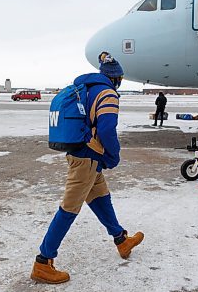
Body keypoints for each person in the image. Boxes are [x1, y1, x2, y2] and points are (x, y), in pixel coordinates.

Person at [30, 52, 144, 284]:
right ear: (117, 79)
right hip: (88, 158)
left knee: (101, 198)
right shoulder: (108, 93)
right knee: (69, 209)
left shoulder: (88, 88)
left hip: (83, 155)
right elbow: (106, 129)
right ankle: (43, 262)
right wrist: (113, 156)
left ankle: (121, 240)